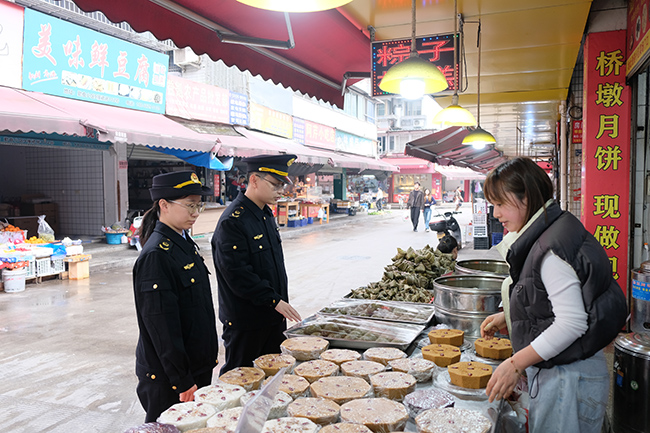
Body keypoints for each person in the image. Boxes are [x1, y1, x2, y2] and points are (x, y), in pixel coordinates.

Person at [479, 157, 627, 433]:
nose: (495, 213)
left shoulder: (550, 249)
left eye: (500, 204)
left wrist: (515, 364)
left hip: (568, 380)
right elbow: (550, 299)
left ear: (527, 197)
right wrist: (507, 316)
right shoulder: (554, 226)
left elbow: (571, 323)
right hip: (572, 369)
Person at [132, 171, 218, 422]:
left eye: (198, 205)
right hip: (171, 379)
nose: (196, 212)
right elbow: (161, 326)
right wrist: (182, 379)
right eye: (190, 205)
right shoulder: (156, 255)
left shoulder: (182, 241)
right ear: (164, 205)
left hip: (194, 367)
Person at [212, 154, 302, 374]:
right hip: (247, 323)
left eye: (282, 185)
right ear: (254, 180)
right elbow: (237, 274)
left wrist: (277, 303)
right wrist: (273, 300)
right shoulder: (233, 221)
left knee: (272, 378)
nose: (281, 191)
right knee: (241, 378)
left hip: (272, 316)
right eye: (275, 184)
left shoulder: (265, 214)